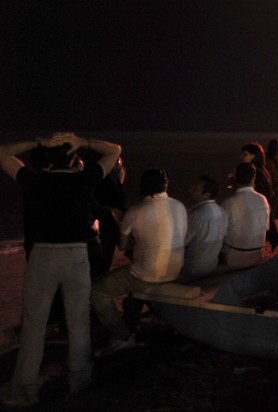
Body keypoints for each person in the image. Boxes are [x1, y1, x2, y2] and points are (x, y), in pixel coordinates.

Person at [0, 132, 121, 407]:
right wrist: (85, 141)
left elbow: (3, 153)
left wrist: (37, 141)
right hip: (76, 254)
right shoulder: (83, 180)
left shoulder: (35, 180)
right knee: (78, 320)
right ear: (73, 159)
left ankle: (25, 389)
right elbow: (114, 150)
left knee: (34, 324)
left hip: (43, 255)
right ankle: (80, 379)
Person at [91, 168, 187, 355]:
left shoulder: (135, 211)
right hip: (175, 270)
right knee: (136, 285)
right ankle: (132, 318)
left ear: (142, 188)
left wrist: (125, 228)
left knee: (97, 292)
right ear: (165, 186)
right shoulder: (179, 206)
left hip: (147, 275)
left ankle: (122, 335)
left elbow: (122, 245)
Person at [220, 163, 271, 267]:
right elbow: (266, 227)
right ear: (253, 178)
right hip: (257, 253)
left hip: (235, 256)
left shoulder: (228, 202)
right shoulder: (263, 199)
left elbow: (221, 233)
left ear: (236, 178)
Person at [181, 175, 227, 280]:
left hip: (192, 268)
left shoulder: (197, 215)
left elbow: (181, 242)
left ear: (206, 195)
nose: (190, 190)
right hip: (211, 266)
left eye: (195, 188)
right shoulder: (222, 212)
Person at [240, 143, 278, 250]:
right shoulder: (264, 171)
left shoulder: (255, 172)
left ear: (254, 156)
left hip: (255, 217)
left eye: (245, 154)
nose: (241, 157)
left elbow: (255, 196)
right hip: (263, 216)